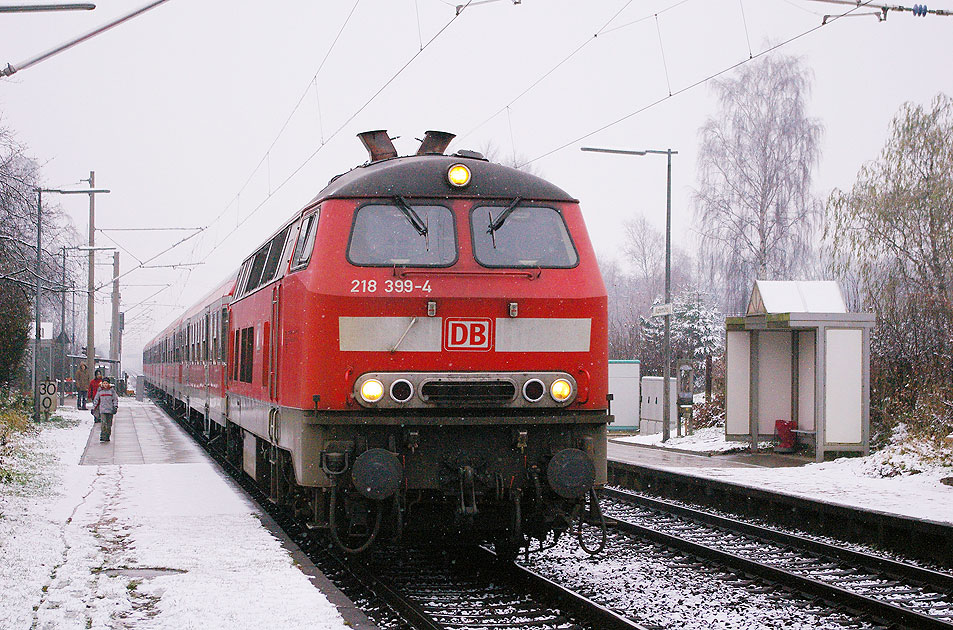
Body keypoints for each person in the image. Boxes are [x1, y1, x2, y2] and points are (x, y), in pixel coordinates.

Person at [91, 377, 118, 442]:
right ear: (102, 384)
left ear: (108, 384)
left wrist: (115, 407)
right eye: (104, 383)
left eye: (106, 383)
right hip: (102, 410)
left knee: (109, 424)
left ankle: (107, 435)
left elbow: (115, 399)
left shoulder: (112, 391)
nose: (105, 385)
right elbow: (96, 400)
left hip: (110, 410)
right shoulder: (100, 391)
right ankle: (103, 435)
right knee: (103, 423)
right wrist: (93, 408)